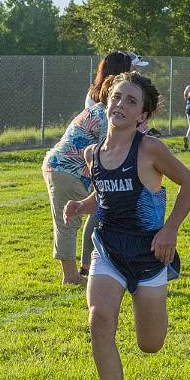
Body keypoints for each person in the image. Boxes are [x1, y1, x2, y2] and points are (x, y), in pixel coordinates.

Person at [64, 72, 190, 380]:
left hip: (149, 255)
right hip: (107, 250)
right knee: (98, 321)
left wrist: (169, 229)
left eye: (131, 101)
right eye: (117, 97)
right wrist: (82, 204)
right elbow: (106, 196)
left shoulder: (150, 149)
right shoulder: (94, 153)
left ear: (143, 115)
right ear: (106, 101)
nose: (120, 105)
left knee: (149, 344)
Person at [42, 76, 117, 285]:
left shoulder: (98, 111)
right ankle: (72, 276)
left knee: (98, 213)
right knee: (69, 222)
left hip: (65, 169)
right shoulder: (104, 115)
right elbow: (106, 150)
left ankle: (89, 266)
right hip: (65, 169)